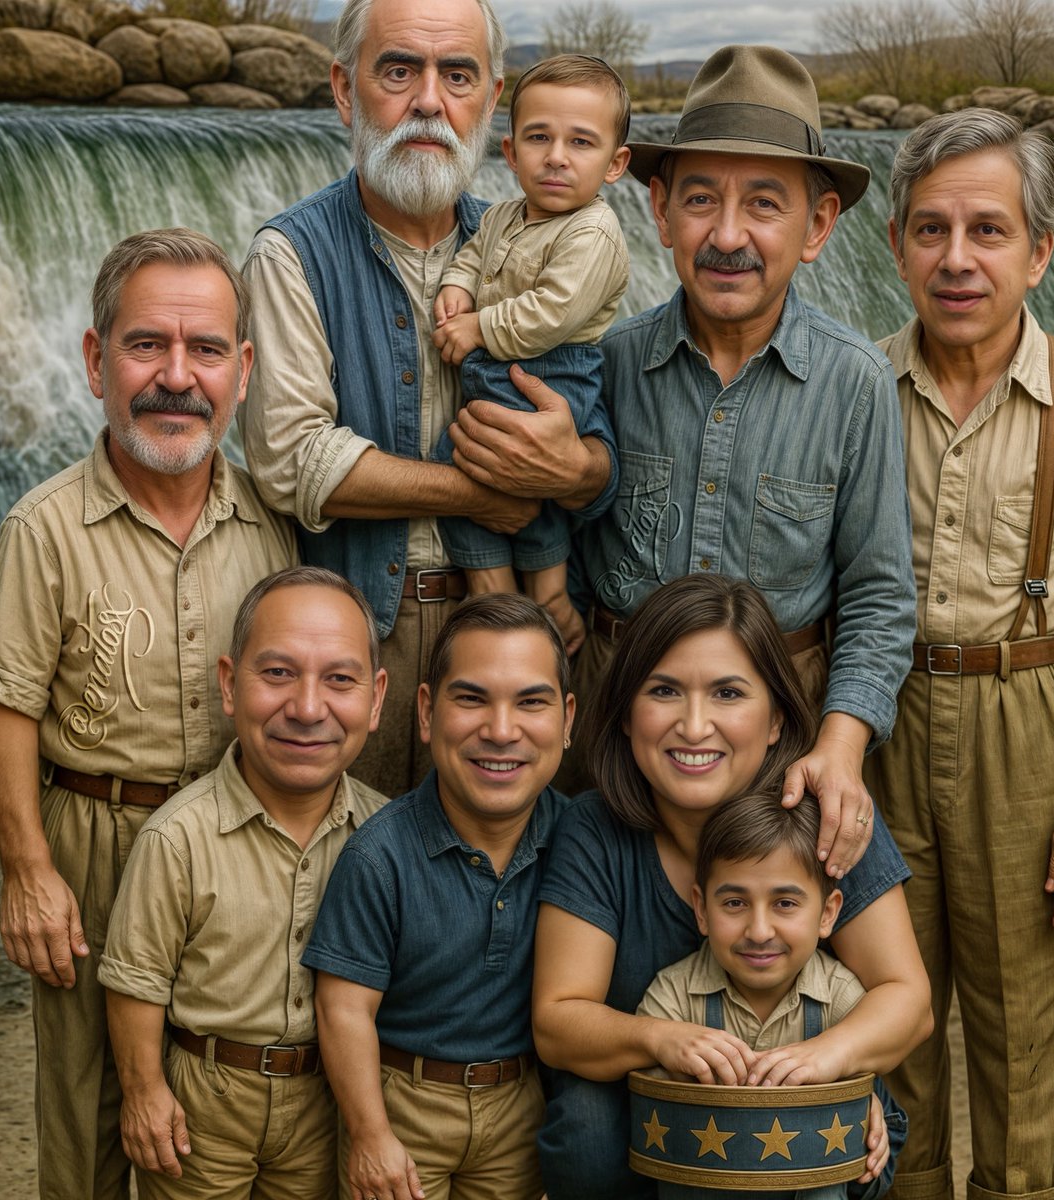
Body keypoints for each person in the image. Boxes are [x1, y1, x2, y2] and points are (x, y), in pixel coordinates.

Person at [870, 109, 1054, 1200]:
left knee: (1026, 1054)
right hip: (881, 716)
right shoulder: (858, 390)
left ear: (1040, 251)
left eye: (989, 231)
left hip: (1031, 716)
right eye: (933, 230)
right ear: (897, 242)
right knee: (886, 1037)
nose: (958, 259)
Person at [241, 0, 616, 798]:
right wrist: (486, 492)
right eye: (399, 70)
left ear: (491, 98)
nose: (428, 101)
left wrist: (574, 467)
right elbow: (290, 462)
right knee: (353, 881)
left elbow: (602, 452)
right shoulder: (290, 255)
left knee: (511, 888)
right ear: (346, 91)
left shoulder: (544, 239)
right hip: (359, 645)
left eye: (457, 75)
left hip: (522, 636)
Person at [558, 44, 916, 865]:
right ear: (658, 211)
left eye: (763, 204)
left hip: (781, 765)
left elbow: (878, 598)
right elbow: (567, 551)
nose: (727, 235)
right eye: (699, 199)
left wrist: (841, 747)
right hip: (615, 752)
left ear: (818, 225)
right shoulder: (605, 363)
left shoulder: (854, 383)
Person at [0, 228, 297, 1200]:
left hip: (231, 857)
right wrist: (30, 873)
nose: (179, 377)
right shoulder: (42, 527)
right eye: (146, 347)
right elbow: (8, 704)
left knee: (208, 1119)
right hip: (92, 847)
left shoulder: (271, 526)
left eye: (206, 350)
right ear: (95, 360)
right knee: (86, 1123)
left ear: (243, 370)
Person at [532, 573, 931, 1200]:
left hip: (803, 1100)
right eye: (664, 690)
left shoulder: (826, 811)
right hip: (653, 1114)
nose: (694, 726)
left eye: (728, 693)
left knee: (844, 1138)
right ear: (627, 713)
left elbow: (909, 1000)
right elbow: (558, 1022)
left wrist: (825, 1068)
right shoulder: (596, 829)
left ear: (775, 719)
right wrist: (661, 1039)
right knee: (583, 1126)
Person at [98, 567, 388, 1198]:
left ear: (376, 697)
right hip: (204, 1101)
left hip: (326, 1099)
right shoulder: (178, 837)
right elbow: (135, 980)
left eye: (340, 679)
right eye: (278, 673)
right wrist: (145, 1092)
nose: (308, 709)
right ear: (229, 684)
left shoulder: (387, 837)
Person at [302, 593, 575, 1200]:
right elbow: (343, 1009)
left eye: (531, 702)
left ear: (567, 719)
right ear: (426, 712)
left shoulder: (581, 843)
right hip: (403, 1101)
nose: (501, 731)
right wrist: (371, 1134)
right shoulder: (379, 855)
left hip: (519, 1105)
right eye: (471, 698)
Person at [429, 53, 631, 653]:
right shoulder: (500, 215)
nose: (557, 156)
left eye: (581, 142)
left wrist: (478, 328)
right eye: (539, 138)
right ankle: (491, 584)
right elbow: (471, 255)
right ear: (511, 152)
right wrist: (457, 286)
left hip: (555, 369)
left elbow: (551, 313)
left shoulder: (592, 232)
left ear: (616, 163)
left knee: (510, 469)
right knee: (473, 462)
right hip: (506, 367)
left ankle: (544, 594)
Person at [638, 790, 871, 1200]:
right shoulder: (672, 998)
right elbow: (655, 1108)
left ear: (828, 913)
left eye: (784, 903)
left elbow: (864, 1087)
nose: (759, 931)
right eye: (734, 902)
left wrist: (867, 1114)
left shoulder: (842, 997)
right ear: (701, 910)